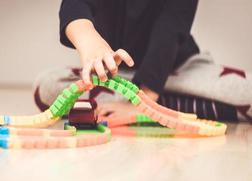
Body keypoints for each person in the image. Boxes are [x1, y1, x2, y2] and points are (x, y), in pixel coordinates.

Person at [33, 0, 252, 122]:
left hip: (178, 69)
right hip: (119, 75)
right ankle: (176, 103)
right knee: (47, 86)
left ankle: (154, 101)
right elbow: (75, 5)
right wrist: (88, 40)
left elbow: (169, 32)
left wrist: (143, 103)